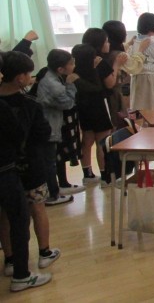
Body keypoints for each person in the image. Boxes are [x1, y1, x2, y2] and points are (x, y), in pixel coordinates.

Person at [0, 52, 58, 290]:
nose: (30, 77)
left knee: (5, 215)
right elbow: (43, 133)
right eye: (27, 74)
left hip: (6, 167)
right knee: (36, 208)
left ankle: (10, 260)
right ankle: (44, 252)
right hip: (29, 164)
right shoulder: (29, 104)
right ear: (20, 78)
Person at [36, 49, 83, 205]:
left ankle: (55, 190)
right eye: (71, 63)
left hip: (50, 125)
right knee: (49, 163)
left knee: (51, 161)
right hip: (48, 128)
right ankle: (53, 195)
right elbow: (67, 103)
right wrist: (70, 84)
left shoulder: (52, 77)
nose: (74, 65)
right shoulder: (53, 84)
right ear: (61, 69)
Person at [71, 43, 117, 186]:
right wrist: (96, 69)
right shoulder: (94, 70)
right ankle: (105, 177)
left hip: (83, 108)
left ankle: (88, 174)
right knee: (102, 142)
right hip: (98, 107)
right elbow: (99, 88)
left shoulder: (74, 72)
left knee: (87, 140)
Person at [101, 20, 148, 127]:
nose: (126, 34)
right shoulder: (119, 55)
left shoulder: (107, 50)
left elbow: (119, 49)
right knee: (121, 122)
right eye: (124, 31)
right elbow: (135, 66)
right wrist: (141, 49)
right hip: (116, 94)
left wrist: (130, 43)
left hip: (110, 93)